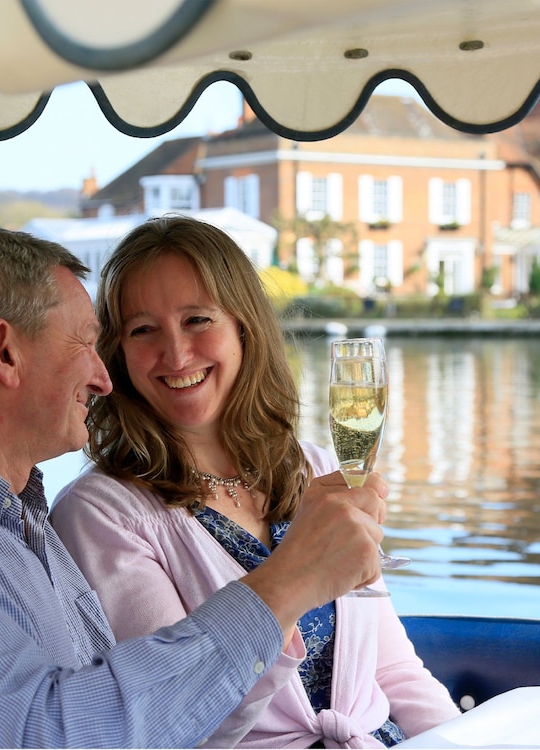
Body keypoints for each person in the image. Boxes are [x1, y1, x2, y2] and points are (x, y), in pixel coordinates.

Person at [0, 224, 388, 748]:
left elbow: (163, 728)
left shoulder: (15, 523)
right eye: (85, 343)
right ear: (6, 351)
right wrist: (286, 587)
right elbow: (44, 737)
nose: (103, 376)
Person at [50, 215, 459, 747]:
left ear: (243, 326)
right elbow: (183, 723)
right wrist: (296, 579)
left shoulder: (311, 469)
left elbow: (396, 673)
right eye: (143, 329)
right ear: (119, 355)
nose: (175, 355)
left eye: (198, 319)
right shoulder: (100, 514)